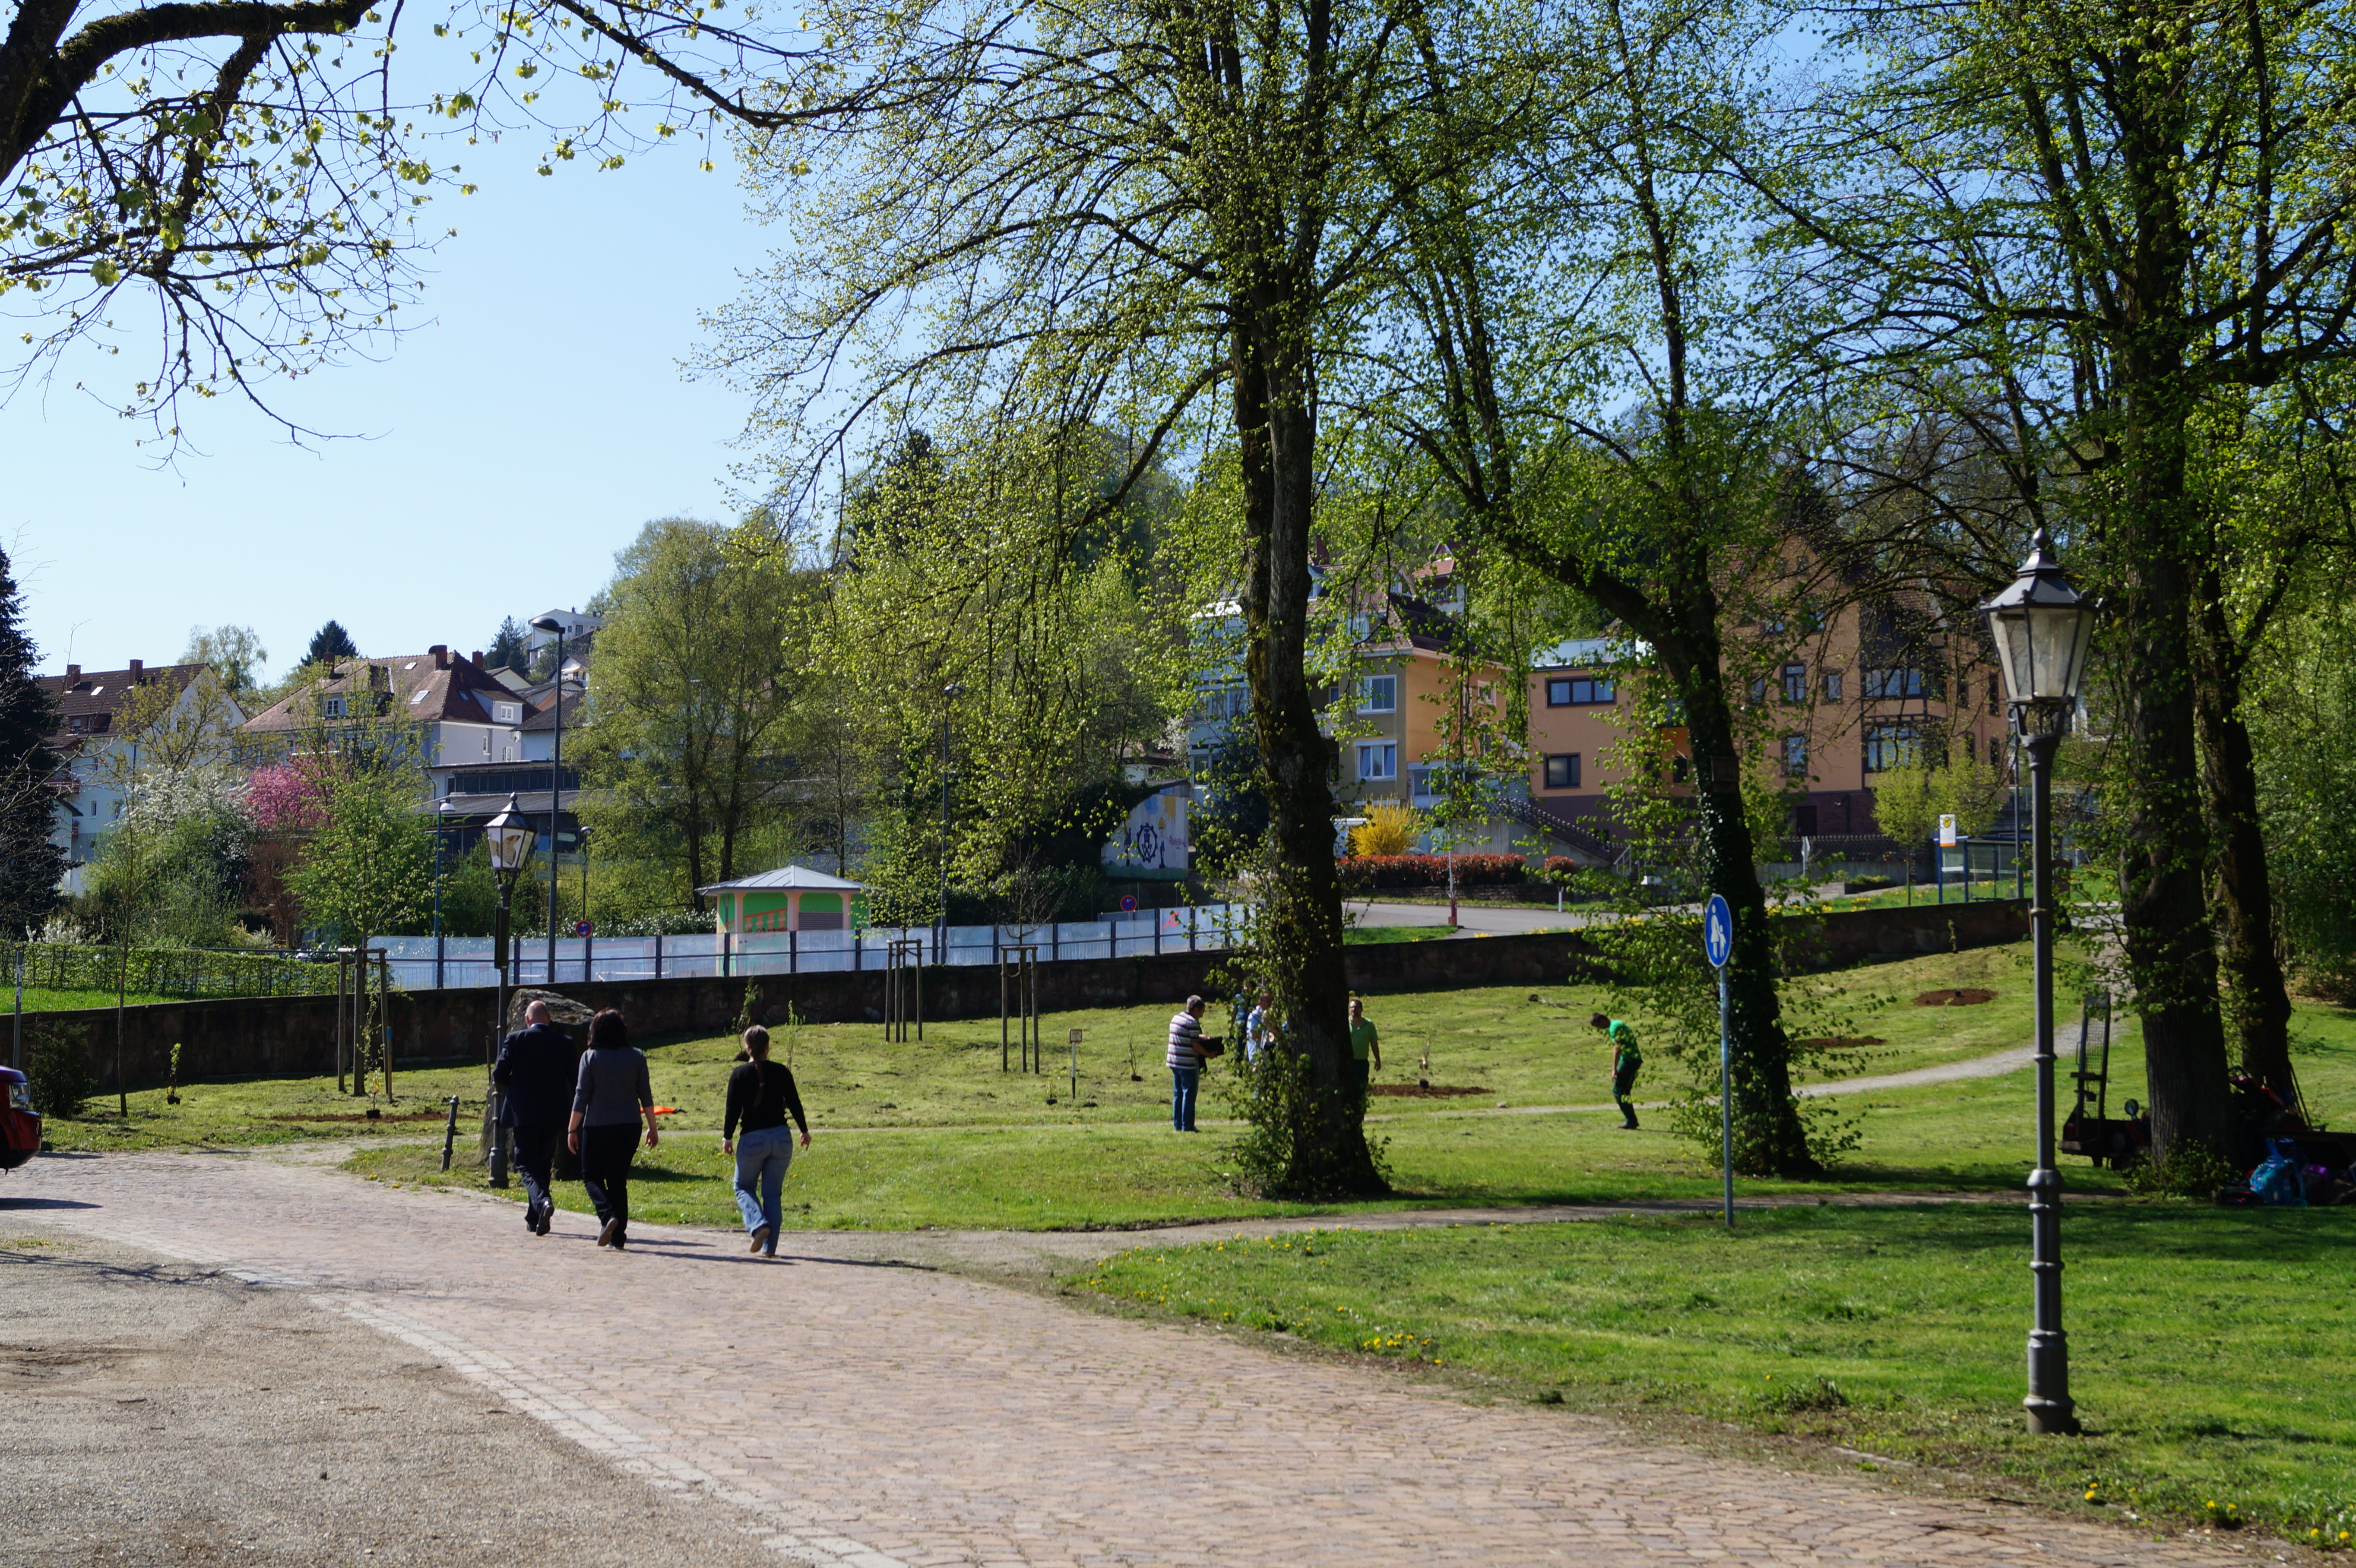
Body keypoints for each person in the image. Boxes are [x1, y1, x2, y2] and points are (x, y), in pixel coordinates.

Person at [568, 1008, 659, 1249]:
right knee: (618, 1180)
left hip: (598, 1126)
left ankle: (608, 1216)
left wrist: (572, 1130)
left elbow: (581, 1097)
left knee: (591, 1176)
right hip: (630, 1126)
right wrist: (653, 1127)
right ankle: (618, 1237)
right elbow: (646, 1096)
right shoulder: (637, 1057)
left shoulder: (590, 1058)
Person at [722, 1024, 811, 1257]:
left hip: (753, 1139)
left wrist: (727, 1137)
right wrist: (804, 1131)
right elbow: (794, 1103)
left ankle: (758, 1225)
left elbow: (732, 1110)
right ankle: (769, 1248)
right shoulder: (782, 1071)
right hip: (782, 1137)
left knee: (743, 1187)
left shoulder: (739, 1074)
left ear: (746, 1047)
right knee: (773, 1194)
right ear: (768, 1047)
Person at [491, 999, 576, 1236]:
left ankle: (543, 1203)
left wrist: (516, 1089)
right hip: (553, 1114)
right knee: (543, 1164)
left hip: (524, 1114)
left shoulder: (517, 1040)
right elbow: (575, 1081)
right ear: (549, 1019)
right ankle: (535, 1218)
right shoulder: (565, 1043)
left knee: (525, 1164)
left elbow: (499, 1074)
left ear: (528, 1020)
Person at [1167, 995, 1212, 1132]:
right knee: (1189, 1094)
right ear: (1196, 1010)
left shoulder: (1177, 1018)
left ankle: (1178, 1125)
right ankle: (1188, 1126)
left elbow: (1186, 1035)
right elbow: (1196, 1046)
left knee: (1178, 1094)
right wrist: (1209, 1054)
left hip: (1174, 1061)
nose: (1202, 1016)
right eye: (1202, 1012)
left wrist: (1199, 1036)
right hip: (1188, 1063)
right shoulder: (1192, 1022)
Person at [1590, 1012, 1641, 1129]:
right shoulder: (1616, 1024)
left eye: (1598, 1026)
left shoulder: (1614, 1027)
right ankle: (1631, 1121)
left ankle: (1631, 1121)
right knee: (1625, 1091)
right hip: (1634, 1059)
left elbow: (1617, 1047)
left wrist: (1614, 1069)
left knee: (1618, 1091)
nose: (1600, 1029)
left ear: (1602, 1020)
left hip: (1630, 1059)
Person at [1347, 997, 1381, 1096]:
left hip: (1362, 1063)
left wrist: (1378, 1060)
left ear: (1362, 1009)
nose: (1354, 1010)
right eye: (1352, 1007)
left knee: (1362, 1089)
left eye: (1356, 1007)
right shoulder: (1345, 1024)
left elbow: (1374, 1044)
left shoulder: (1369, 1025)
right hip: (1348, 1062)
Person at [1244, 989, 1275, 1063]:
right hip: (1256, 1053)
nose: (1270, 1004)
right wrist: (1270, 1037)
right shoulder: (1254, 1016)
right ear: (1260, 1002)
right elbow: (1253, 1035)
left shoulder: (1269, 1015)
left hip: (1267, 1054)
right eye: (1268, 1001)